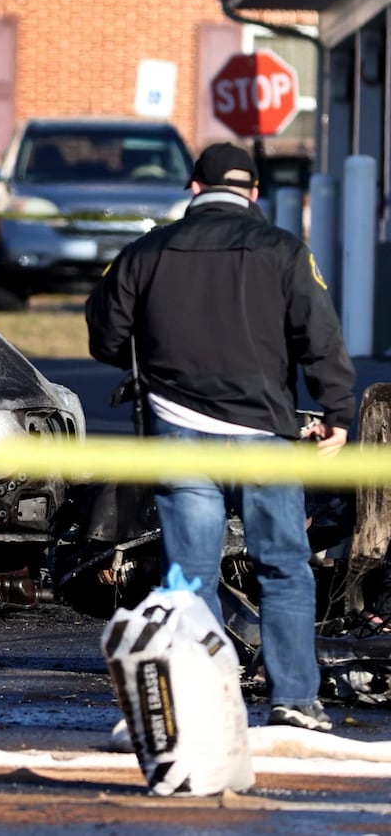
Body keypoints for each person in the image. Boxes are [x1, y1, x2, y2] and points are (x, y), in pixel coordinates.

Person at [85, 141, 356, 733]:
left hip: (179, 430)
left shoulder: (146, 251)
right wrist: (336, 408)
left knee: (189, 574)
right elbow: (321, 334)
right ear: (255, 193)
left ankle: (206, 695)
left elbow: (105, 337)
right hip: (264, 432)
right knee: (283, 566)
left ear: (193, 187)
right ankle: (294, 699)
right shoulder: (285, 251)